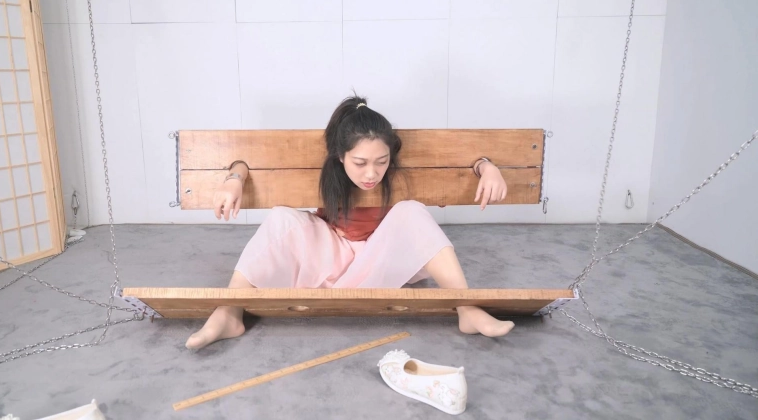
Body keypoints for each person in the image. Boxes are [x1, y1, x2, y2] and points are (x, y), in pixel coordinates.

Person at [185, 95, 514, 350]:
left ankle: (466, 309)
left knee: (412, 211)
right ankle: (229, 313)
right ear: (340, 156)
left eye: (381, 162)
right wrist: (235, 177)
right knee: (281, 217)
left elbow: (468, 159)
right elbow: (244, 161)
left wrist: (486, 166)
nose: (371, 173)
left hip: (380, 257)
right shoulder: (330, 167)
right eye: (359, 162)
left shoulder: (393, 172)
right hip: (329, 255)